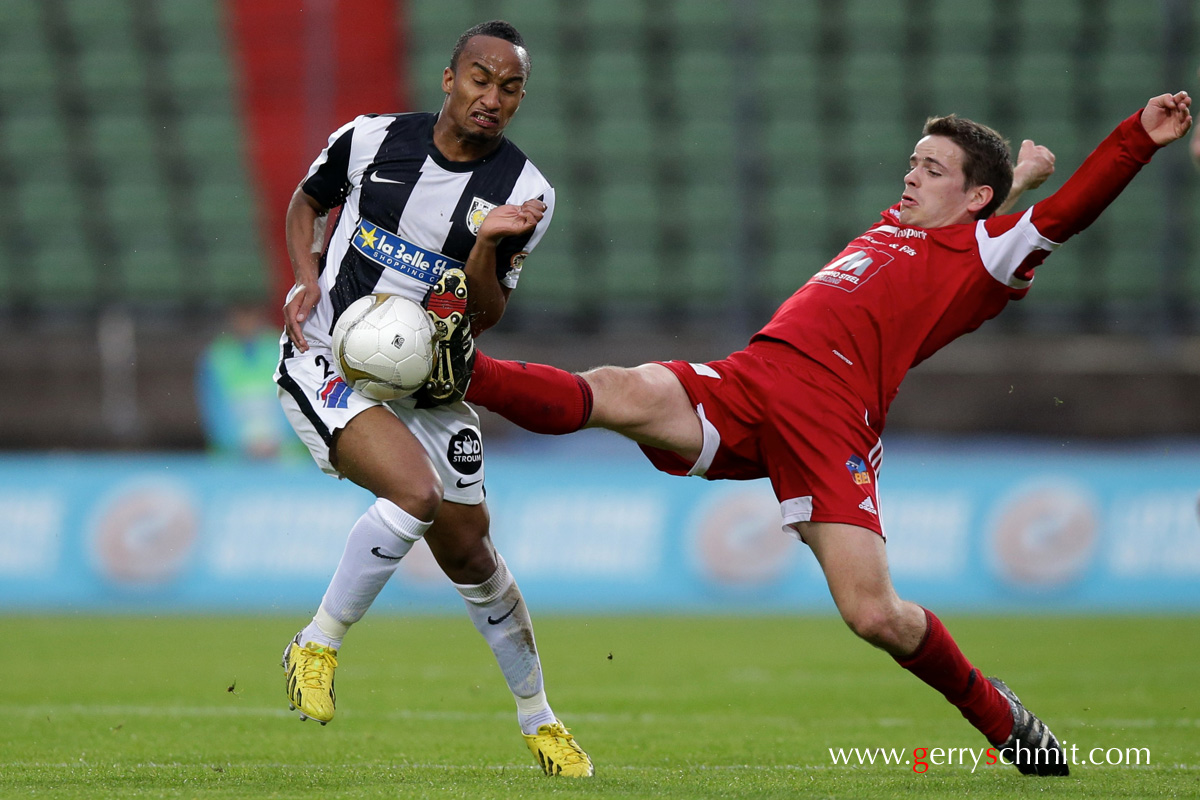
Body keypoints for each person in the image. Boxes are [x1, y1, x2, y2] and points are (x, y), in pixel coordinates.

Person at [434, 91, 1193, 776]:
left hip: (833, 418)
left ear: (974, 197)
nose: (911, 178)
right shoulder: (905, 226)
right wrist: (1016, 180)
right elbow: (978, 209)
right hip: (755, 379)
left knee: (876, 616)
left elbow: (1063, 216)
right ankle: (457, 369)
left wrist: (1138, 137)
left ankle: (1001, 719)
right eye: (912, 163)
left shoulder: (986, 255)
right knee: (618, 389)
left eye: (931, 169)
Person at [274, 20, 592, 777]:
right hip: (330, 357)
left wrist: (486, 246)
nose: (493, 98)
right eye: (480, 79)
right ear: (449, 79)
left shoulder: (525, 192)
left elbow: (484, 315)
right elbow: (304, 203)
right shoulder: (369, 139)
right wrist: (309, 274)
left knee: (473, 553)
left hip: (432, 384)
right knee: (414, 494)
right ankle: (315, 644)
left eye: (510, 88)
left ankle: (539, 720)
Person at [197, 304, 307, 460]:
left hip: (286, 457)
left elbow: (299, 399)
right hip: (234, 460)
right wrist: (239, 445)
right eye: (241, 316)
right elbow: (213, 410)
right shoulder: (217, 356)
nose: (246, 323)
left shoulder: (281, 349)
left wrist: (282, 441)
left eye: (250, 316)